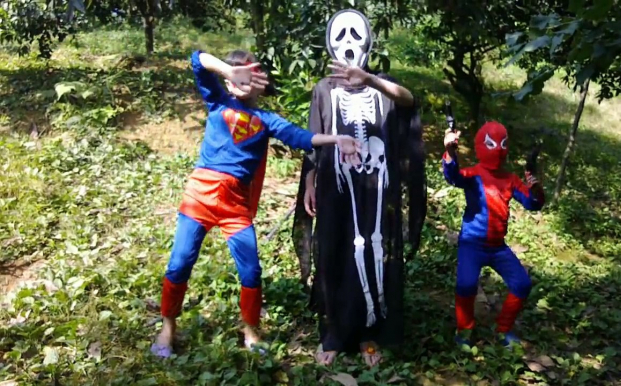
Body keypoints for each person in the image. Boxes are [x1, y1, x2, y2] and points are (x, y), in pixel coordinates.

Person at [150, 49, 361, 359]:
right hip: (199, 197)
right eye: (240, 75)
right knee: (179, 263)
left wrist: (337, 139)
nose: (245, 81)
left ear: (262, 83)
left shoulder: (267, 120)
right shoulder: (218, 101)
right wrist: (226, 71)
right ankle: (167, 328)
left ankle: (250, 330)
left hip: (235, 205)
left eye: (251, 75)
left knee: (251, 271)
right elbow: (197, 60)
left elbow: (303, 138)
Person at [291, 9, 427, 367]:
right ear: (329, 44)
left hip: (376, 187)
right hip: (337, 187)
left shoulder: (382, 86)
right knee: (334, 250)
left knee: (375, 254)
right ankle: (334, 333)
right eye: (341, 36)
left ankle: (371, 333)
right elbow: (312, 141)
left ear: (368, 40)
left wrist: (370, 80)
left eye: (356, 34)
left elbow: (409, 100)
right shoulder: (323, 89)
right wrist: (309, 182)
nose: (349, 43)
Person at [442, 122, 544, 347]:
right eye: (491, 144)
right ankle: (464, 330)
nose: (498, 149)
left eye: (502, 144)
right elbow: (453, 177)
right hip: (472, 244)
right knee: (466, 285)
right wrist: (450, 151)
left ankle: (504, 329)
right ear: (481, 145)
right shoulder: (474, 174)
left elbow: (532, 203)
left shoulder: (510, 179)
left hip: (497, 246)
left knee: (522, 284)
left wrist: (536, 189)